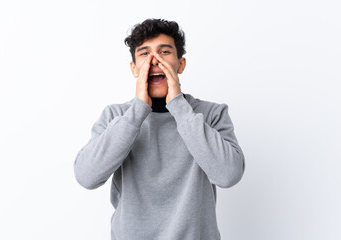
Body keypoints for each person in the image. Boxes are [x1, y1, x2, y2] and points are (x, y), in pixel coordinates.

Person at [74, 18, 245, 240]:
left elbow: (228, 175)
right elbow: (86, 176)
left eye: (165, 52)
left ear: (180, 64)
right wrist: (136, 112)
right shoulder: (116, 116)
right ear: (134, 68)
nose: (155, 60)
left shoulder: (211, 114)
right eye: (144, 54)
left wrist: (179, 107)